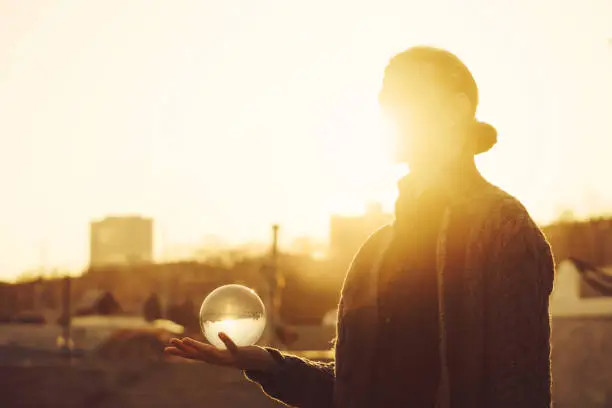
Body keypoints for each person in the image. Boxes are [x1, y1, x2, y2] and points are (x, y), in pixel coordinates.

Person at [164, 46, 555, 408]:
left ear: (455, 110)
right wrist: (267, 363)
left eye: (404, 95)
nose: (384, 106)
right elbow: (352, 390)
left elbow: (520, 389)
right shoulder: (378, 250)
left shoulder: (504, 230)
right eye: (384, 98)